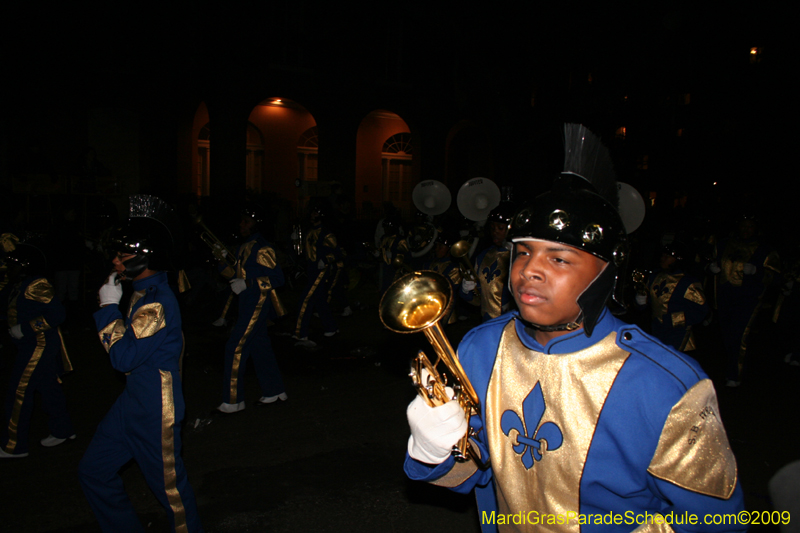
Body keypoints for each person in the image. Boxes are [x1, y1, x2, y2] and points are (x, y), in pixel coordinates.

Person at [403, 126, 745, 532]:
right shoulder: (482, 346)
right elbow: (474, 470)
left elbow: (717, 521)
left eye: (559, 259)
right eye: (524, 252)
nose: (529, 270)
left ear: (605, 274)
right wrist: (435, 450)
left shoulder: (666, 385)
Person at [78, 200, 203, 532]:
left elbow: (122, 358)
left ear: (146, 255)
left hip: (154, 408)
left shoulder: (157, 301)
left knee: (172, 495)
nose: (115, 261)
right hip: (133, 400)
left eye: (123, 255)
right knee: (93, 470)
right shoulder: (142, 291)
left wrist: (107, 309)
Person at [1, 240, 74, 459]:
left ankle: (14, 445)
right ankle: (63, 429)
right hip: (31, 343)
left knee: (18, 391)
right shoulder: (19, 283)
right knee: (47, 386)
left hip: (38, 344)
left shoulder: (36, 284)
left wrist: (25, 329)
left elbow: (57, 314)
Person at [218, 205, 287, 412]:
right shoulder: (244, 247)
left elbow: (277, 278)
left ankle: (233, 400)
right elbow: (234, 276)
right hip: (247, 301)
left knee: (235, 346)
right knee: (259, 345)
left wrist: (248, 284)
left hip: (257, 300)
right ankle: (274, 390)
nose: (242, 225)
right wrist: (221, 260)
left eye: (246, 221)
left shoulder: (262, 247)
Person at [709, 215, 780, 387]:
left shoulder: (764, 250)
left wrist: (758, 272)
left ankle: (735, 373)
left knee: (740, 334)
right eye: (743, 226)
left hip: (748, 298)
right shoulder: (725, 244)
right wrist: (710, 267)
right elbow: (708, 262)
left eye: (750, 227)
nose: (746, 230)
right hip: (725, 297)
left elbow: (776, 276)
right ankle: (733, 365)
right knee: (727, 334)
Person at [635, 242, 708, 351]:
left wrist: (672, 319)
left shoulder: (688, 283)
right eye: (662, 255)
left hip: (678, 334)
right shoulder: (655, 276)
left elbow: (701, 311)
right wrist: (640, 301)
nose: (662, 259)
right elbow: (648, 303)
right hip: (656, 331)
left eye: (667, 256)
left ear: (677, 259)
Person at [293, 204, 341, 346]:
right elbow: (302, 252)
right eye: (312, 213)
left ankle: (300, 333)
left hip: (321, 270)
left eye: (315, 213)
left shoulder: (327, 234)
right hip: (311, 268)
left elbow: (338, 253)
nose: (312, 215)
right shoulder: (309, 232)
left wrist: (326, 259)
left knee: (306, 299)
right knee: (319, 300)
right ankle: (331, 327)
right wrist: (294, 241)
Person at [460, 203, 516, 322]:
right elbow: (477, 300)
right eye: (492, 227)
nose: (495, 232)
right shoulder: (483, 256)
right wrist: (466, 290)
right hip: (488, 322)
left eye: (500, 228)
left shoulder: (520, 255)